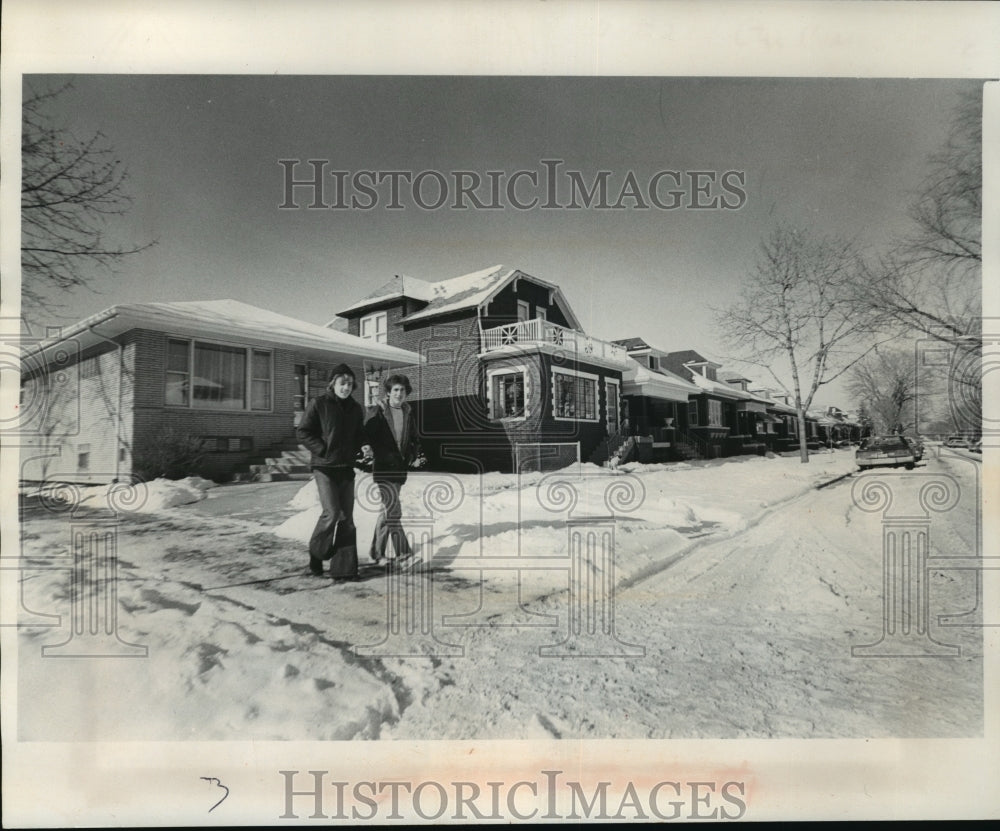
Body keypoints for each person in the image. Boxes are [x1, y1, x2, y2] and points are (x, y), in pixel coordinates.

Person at [296, 363, 372, 582]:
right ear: (333, 383)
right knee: (331, 512)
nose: (346, 387)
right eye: (342, 383)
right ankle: (316, 553)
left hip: (346, 468)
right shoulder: (318, 404)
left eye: (349, 384)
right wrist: (322, 449)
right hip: (324, 467)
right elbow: (303, 432)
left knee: (347, 519)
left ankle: (345, 569)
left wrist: (365, 445)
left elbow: (359, 434)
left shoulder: (356, 409)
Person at [364, 373, 425, 564]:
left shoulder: (408, 413)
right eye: (395, 390)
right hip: (383, 467)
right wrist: (367, 448)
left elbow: (414, 439)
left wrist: (413, 455)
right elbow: (367, 434)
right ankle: (403, 552)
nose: (399, 393)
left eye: (402, 390)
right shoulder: (378, 411)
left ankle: (376, 553)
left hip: (399, 469)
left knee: (386, 510)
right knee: (393, 510)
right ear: (389, 392)